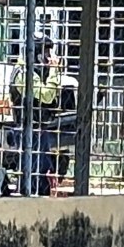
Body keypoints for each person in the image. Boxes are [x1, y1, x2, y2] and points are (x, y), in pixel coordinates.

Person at [8, 36, 76, 196]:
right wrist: (53, 70)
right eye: (45, 51)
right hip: (27, 129)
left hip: (39, 128)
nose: (48, 56)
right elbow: (46, 95)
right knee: (33, 175)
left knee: (44, 173)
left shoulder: (35, 71)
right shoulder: (24, 73)